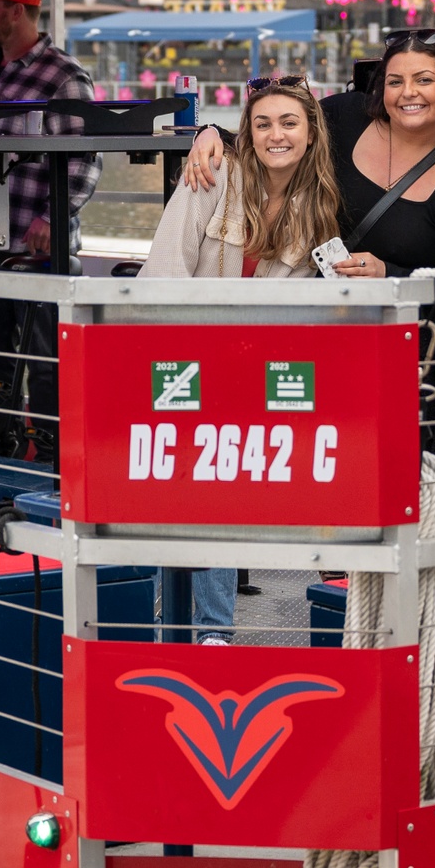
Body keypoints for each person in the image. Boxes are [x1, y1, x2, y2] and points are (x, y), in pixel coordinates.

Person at [177, 31, 435, 473]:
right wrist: (212, 133)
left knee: (372, 468)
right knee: (304, 457)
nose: (409, 93)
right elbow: (278, 132)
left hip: (396, 344)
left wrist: (391, 272)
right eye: (395, 81)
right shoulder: (345, 116)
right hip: (316, 325)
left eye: (425, 80)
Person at [145, 75, 343, 642]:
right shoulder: (212, 175)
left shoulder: (319, 209)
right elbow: (166, 269)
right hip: (180, 350)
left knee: (217, 485)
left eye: (288, 123)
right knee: (195, 485)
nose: (275, 135)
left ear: (311, 133)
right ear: (245, 132)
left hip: (252, 363)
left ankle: (209, 627)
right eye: (262, 123)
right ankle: (207, 628)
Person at [0, 0, 98, 465]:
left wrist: (54, 220)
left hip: (37, 245)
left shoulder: (64, 75)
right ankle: (3, 434)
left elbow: (85, 156)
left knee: (45, 359)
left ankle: (58, 448)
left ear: (15, 11)